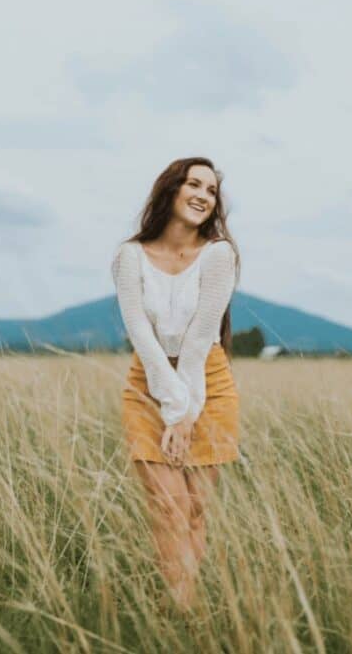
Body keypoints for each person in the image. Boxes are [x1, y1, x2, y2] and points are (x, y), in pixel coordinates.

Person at [111, 157, 240, 610]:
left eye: (212, 190)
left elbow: (202, 337)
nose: (204, 195)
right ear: (170, 189)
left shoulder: (220, 254)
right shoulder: (130, 256)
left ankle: (185, 606)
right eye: (195, 184)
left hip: (208, 379)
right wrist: (171, 408)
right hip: (148, 381)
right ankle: (180, 612)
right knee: (169, 507)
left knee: (196, 508)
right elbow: (141, 337)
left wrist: (186, 414)